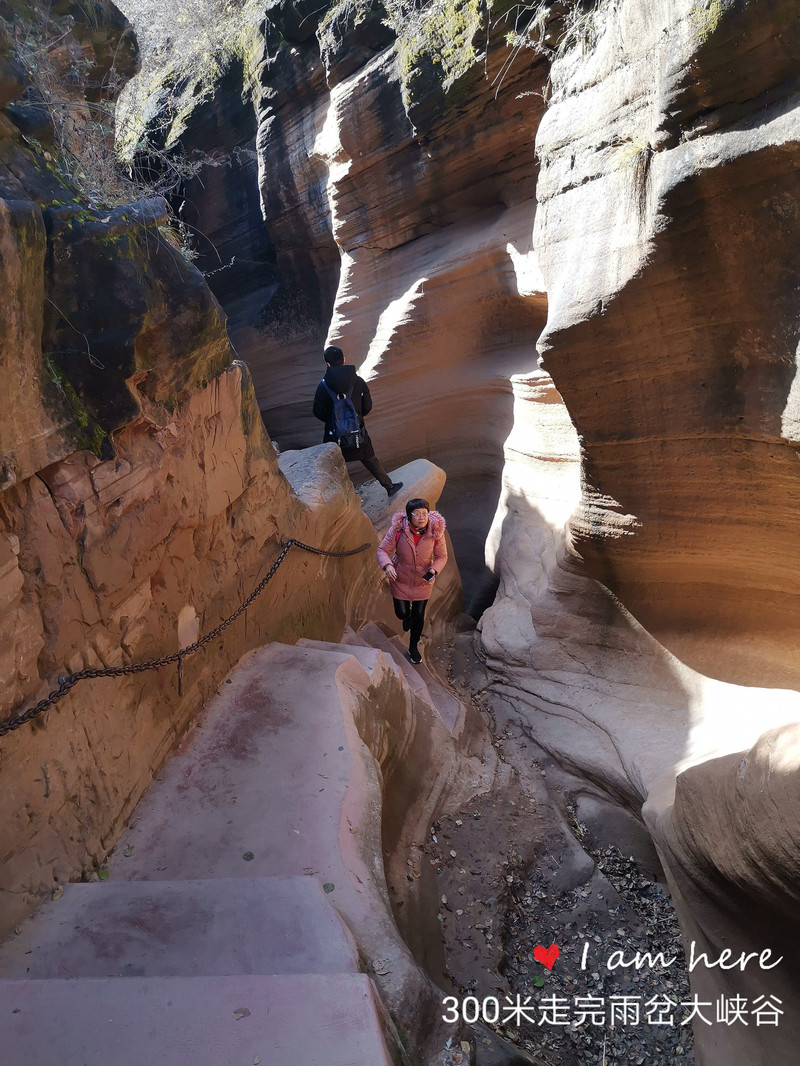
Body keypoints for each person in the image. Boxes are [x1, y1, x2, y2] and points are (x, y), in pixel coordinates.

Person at [312, 345, 403, 497]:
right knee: (369, 459)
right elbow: (368, 406)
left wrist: (333, 422)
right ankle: (389, 487)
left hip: (334, 435)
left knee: (334, 465)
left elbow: (317, 412)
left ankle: (340, 498)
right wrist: (357, 418)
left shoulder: (323, 386)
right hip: (357, 432)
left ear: (327, 364)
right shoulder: (358, 381)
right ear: (344, 359)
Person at [376, 498, 447, 664]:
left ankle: (413, 646)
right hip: (400, 578)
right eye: (417, 514)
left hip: (423, 581)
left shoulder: (435, 532)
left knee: (418, 615)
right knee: (402, 614)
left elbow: (442, 556)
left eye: (425, 513)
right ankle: (406, 614)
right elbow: (382, 550)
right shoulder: (398, 530)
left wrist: (433, 570)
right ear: (409, 517)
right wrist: (387, 566)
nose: (422, 517)